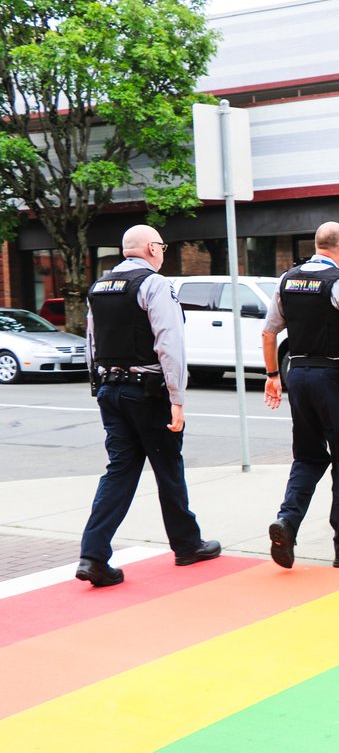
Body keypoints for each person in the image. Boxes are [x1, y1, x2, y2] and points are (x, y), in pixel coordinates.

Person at [77, 225, 220, 587]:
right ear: (150, 249)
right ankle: (187, 545)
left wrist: (99, 387)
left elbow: (90, 343)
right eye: (161, 245)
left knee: (120, 471)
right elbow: (169, 344)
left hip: (111, 389)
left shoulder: (100, 287)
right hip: (148, 392)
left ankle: (93, 555)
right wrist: (177, 399)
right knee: (168, 467)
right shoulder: (155, 285)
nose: (163, 251)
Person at [262, 221, 339, 569]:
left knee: (308, 455)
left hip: (297, 376)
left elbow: (269, 333)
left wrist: (273, 375)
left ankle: (287, 521)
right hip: (332, 378)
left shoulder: (287, 280)